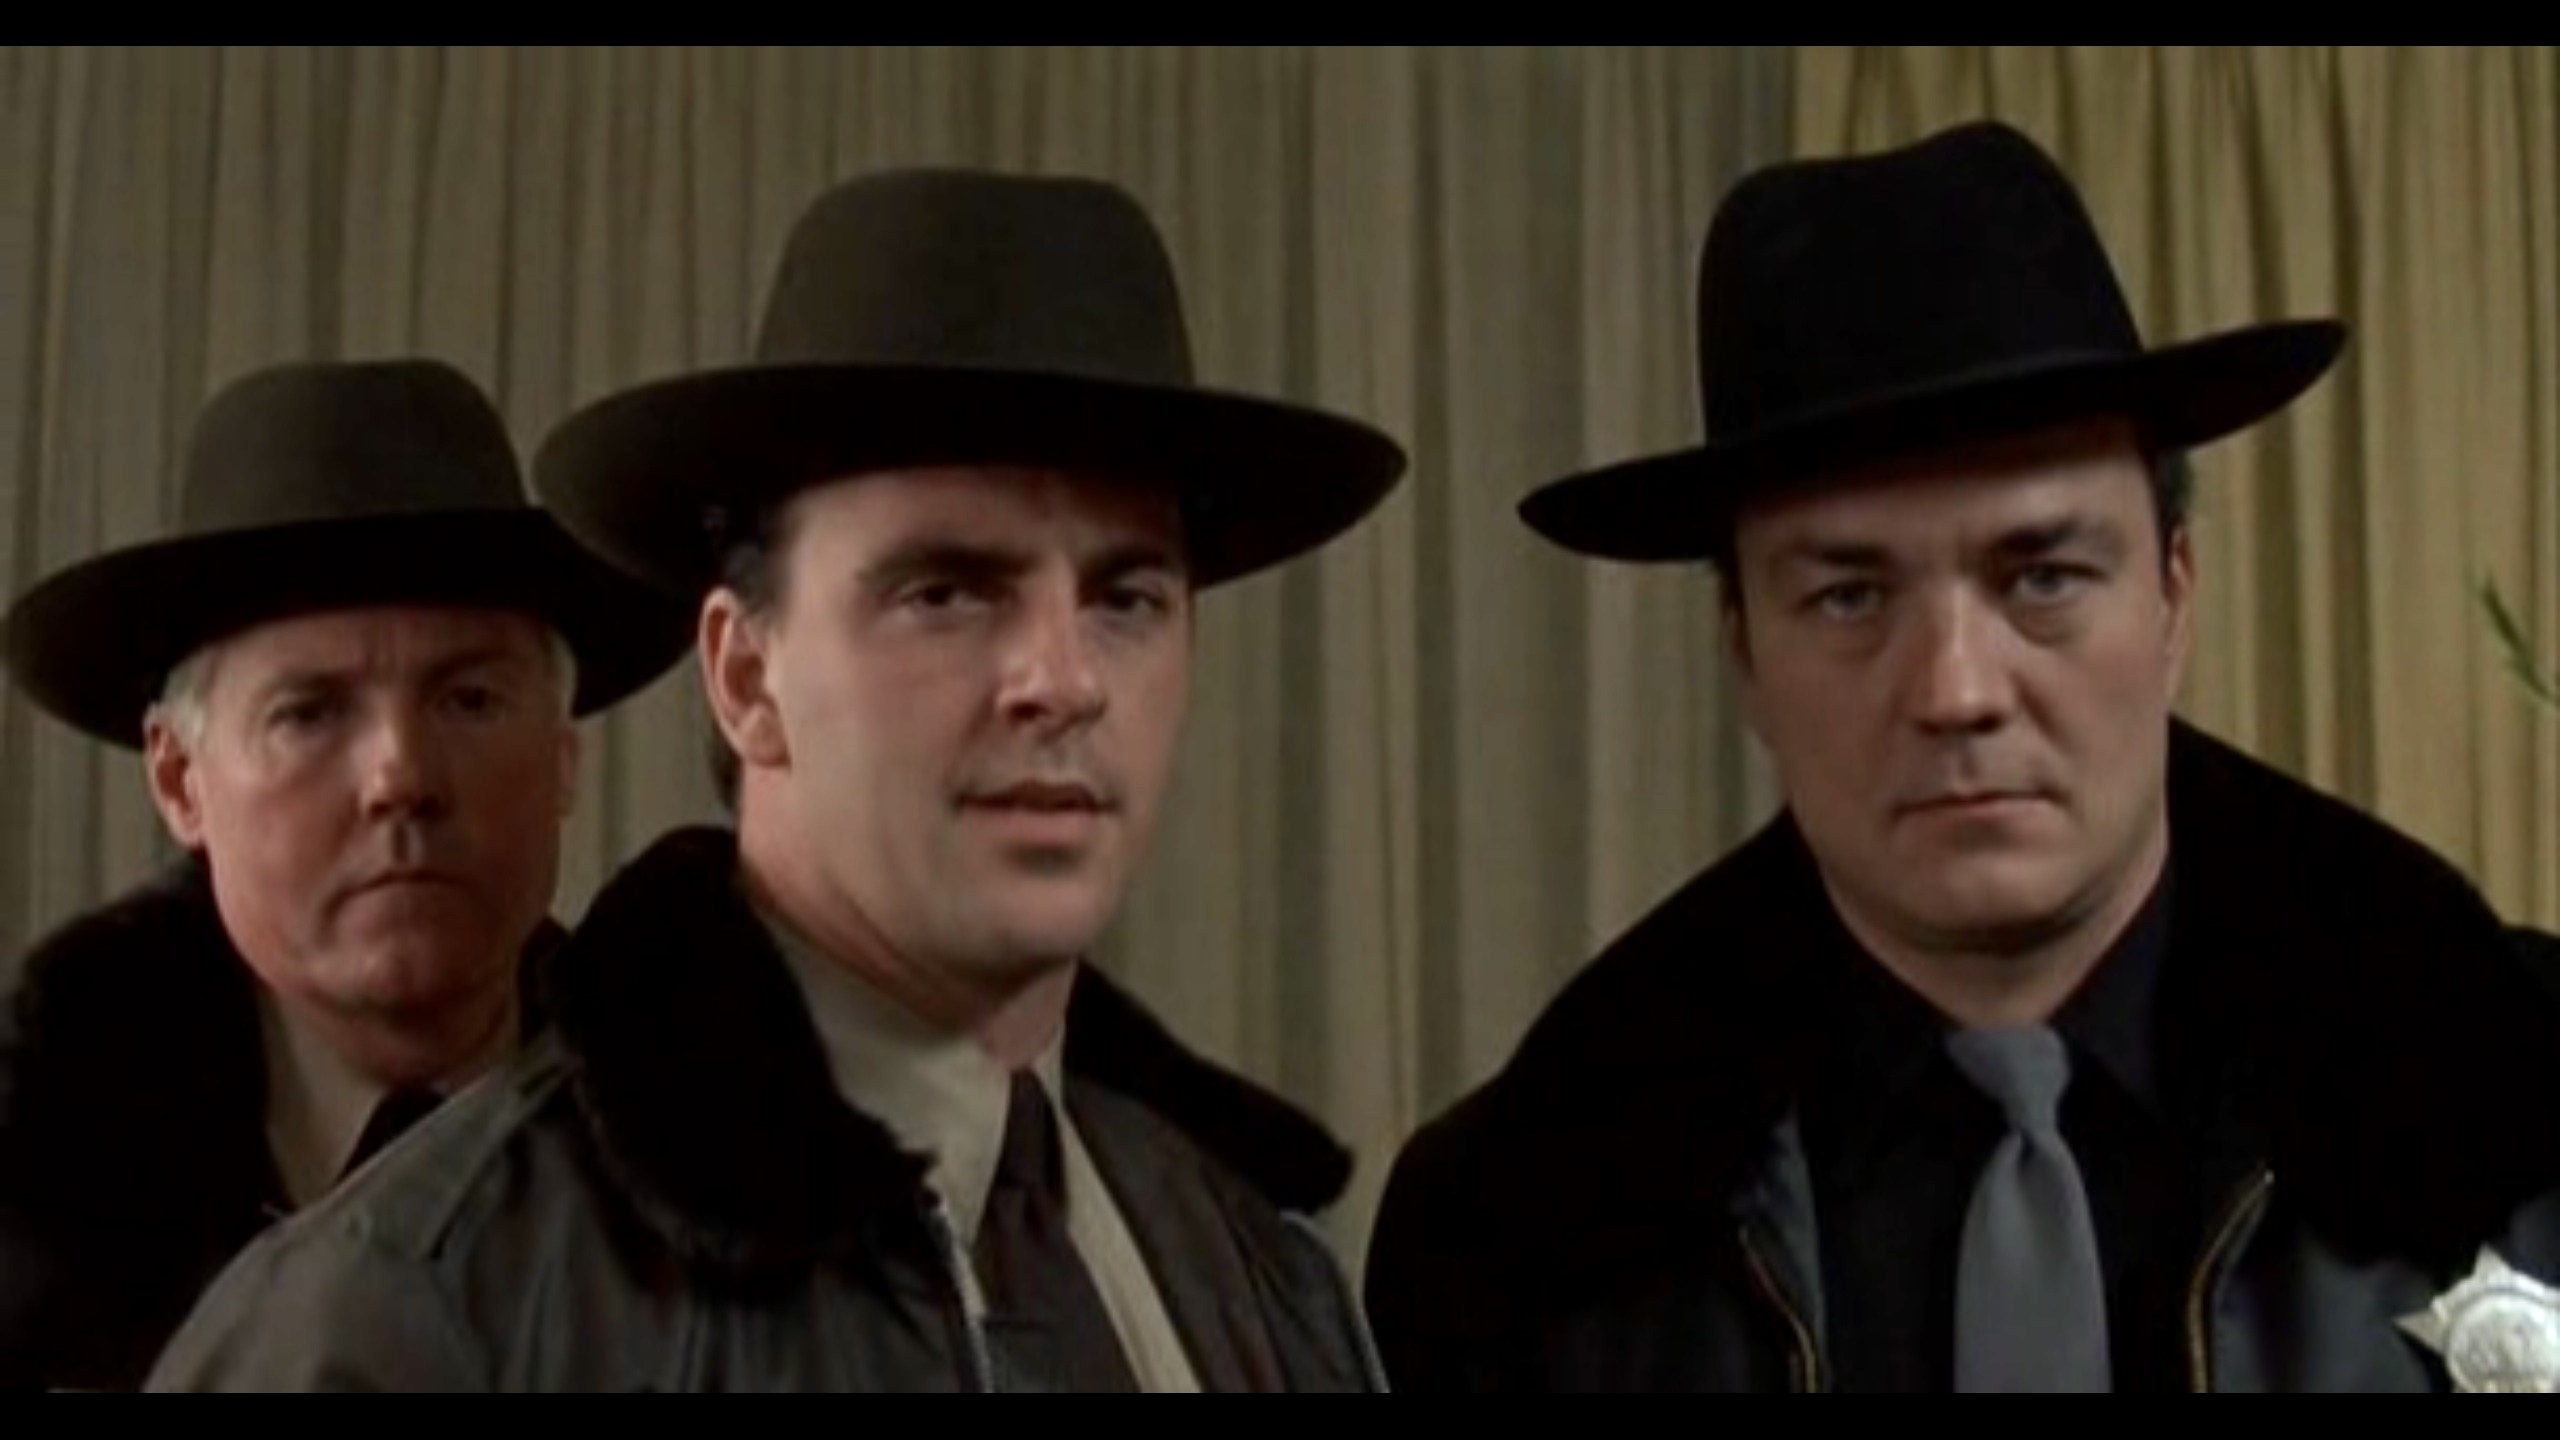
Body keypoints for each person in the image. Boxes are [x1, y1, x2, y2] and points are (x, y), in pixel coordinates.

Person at [149, 169, 1410, 1391]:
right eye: (946, 592)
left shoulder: (1264, 1280)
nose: (1062, 678)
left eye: (1125, 598)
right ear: (746, 676)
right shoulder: (413, 1317)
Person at [1366, 120, 2560, 1393]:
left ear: (2173, 592)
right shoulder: (1520, 1232)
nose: (1955, 691)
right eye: (1847, 599)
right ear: (1742, 648)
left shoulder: (2522, 1108)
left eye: (2041, 577)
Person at [0, 359, 693, 1389]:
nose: (399, 777)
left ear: (562, 757)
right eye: (310, 714)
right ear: (181, 780)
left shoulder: (710, 1175)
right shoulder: (37, 1177)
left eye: (468, 701)